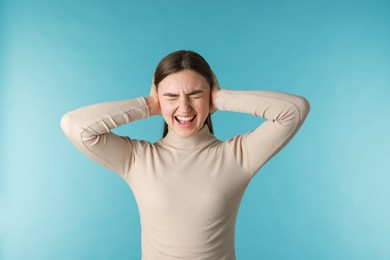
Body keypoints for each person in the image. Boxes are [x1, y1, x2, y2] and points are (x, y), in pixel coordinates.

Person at [61, 50, 310, 260]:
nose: (184, 107)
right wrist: (148, 104)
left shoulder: (237, 156)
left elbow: (294, 110)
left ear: (209, 96)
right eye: (171, 96)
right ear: (159, 98)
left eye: (195, 95)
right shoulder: (137, 158)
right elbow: (75, 126)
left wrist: (222, 99)